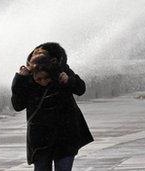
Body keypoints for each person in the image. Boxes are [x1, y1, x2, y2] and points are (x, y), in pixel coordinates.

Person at [11, 43, 93, 171]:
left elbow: (81, 89)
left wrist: (69, 80)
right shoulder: (27, 79)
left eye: (46, 78)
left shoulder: (62, 71)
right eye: (39, 79)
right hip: (40, 136)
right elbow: (17, 105)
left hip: (66, 132)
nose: (43, 81)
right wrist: (19, 80)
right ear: (33, 74)